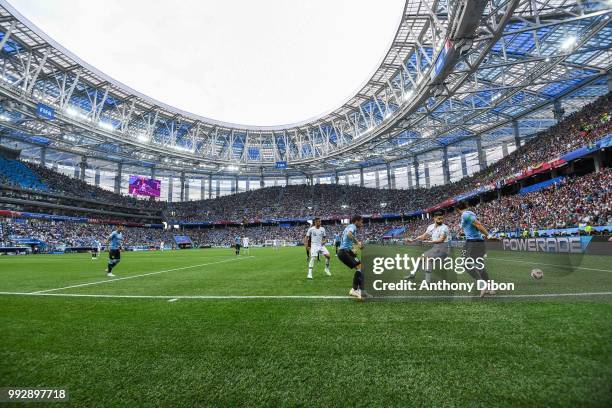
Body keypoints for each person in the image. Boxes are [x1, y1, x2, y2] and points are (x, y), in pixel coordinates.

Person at [455, 202, 495, 297]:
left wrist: (488, 235)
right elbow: (474, 228)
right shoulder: (471, 214)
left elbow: (478, 225)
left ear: (457, 210)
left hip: (472, 243)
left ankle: (482, 284)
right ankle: (490, 287)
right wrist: (464, 233)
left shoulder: (465, 215)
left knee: (464, 264)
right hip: (478, 242)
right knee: (479, 265)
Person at [404, 211, 450, 283]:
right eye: (439, 218)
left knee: (428, 259)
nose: (440, 220)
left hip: (443, 249)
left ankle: (427, 282)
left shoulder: (445, 228)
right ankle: (412, 274)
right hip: (435, 248)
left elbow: (441, 240)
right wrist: (413, 240)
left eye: (442, 218)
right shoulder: (430, 227)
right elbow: (423, 236)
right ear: (434, 218)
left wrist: (429, 242)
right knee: (420, 259)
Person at [337, 215, 366, 300]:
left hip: (346, 251)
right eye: (361, 221)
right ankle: (355, 290)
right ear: (356, 221)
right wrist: (358, 243)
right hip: (344, 251)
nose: (362, 223)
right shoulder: (352, 226)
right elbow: (349, 234)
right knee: (360, 267)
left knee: (361, 267)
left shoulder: (350, 226)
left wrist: (353, 249)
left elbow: (347, 238)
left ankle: (359, 290)